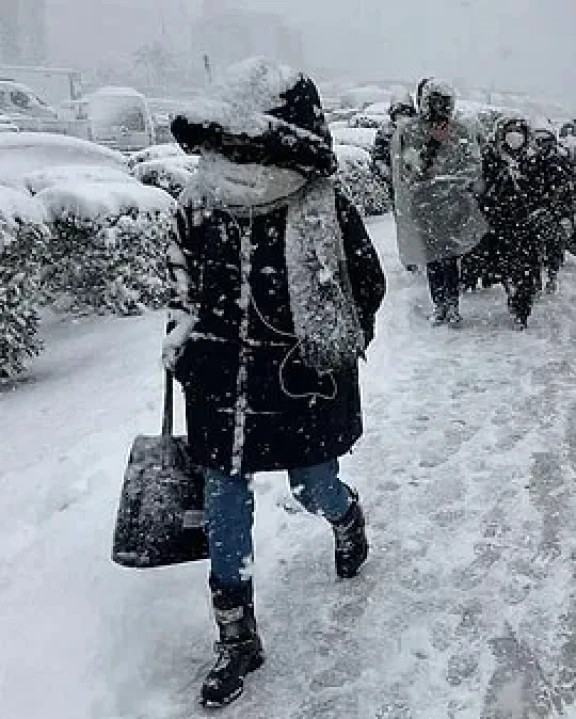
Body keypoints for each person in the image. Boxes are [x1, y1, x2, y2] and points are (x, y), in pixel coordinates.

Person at [164, 57, 386, 709]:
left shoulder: (322, 203)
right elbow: (180, 282)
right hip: (221, 382)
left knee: (312, 484)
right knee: (224, 500)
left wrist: (330, 343)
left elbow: (365, 283)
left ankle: (345, 515)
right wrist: (184, 340)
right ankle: (236, 635)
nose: (239, 153)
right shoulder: (199, 200)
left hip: (299, 382)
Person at [391, 78, 488, 324]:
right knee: (432, 256)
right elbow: (410, 169)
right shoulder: (411, 131)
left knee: (450, 256)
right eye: (435, 102)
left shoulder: (461, 131)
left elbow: (473, 165)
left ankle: (452, 304)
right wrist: (432, 145)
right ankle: (440, 304)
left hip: (453, 204)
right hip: (425, 204)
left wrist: (456, 184)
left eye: (444, 102)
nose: (440, 108)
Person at [478, 115, 543, 329]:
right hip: (500, 223)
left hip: (526, 224)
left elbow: (542, 188)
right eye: (510, 132)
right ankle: (511, 290)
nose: (514, 137)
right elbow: (483, 188)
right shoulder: (492, 158)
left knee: (526, 269)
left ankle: (521, 308)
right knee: (504, 266)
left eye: (518, 133)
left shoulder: (533, 159)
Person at [528, 125, 576, 294]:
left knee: (554, 246)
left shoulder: (560, 161)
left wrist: (562, 210)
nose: (541, 145)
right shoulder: (529, 162)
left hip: (555, 211)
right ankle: (536, 280)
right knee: (532, 249)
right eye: (538, 142)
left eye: (544, 142)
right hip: (535, 211)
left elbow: (568, 187)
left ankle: (552, 276)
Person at [371, 97, 417, 193]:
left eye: (405, 114)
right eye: (398, 115)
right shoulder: (386, 131)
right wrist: (384, 169)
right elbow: (378, 155)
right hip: (393, 180)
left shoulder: (417, 131)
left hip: (414, 181)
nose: (402, 119)